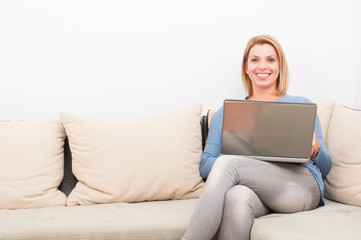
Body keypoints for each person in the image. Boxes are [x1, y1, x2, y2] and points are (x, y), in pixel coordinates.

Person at [182, 35, 331, 240]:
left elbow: (326, 167)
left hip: (300, 188)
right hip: (256, 190)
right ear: (246, 67)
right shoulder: (226, 112)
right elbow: (206, 164)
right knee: (236, 197)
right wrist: (248, 161)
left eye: (270, 59)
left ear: (279, 66)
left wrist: (315, 149)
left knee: (229, 164)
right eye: (255, 60)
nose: (263, 66)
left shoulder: (301, 105)